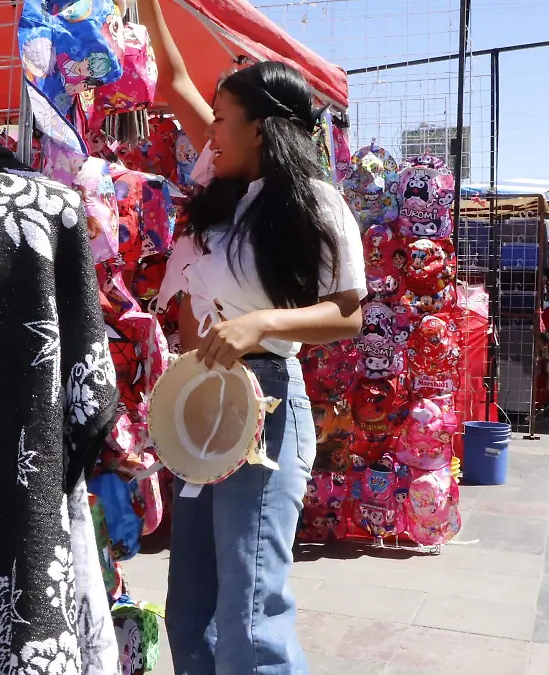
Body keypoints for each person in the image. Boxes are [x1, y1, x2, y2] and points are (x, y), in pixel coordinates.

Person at [139, 0, 365, 672]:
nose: (210, 126)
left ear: (261, 129)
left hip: (265, 403)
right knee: (191, 606)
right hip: (201, 401)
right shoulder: (222, 184)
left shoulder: (314, 203)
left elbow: (348, 313)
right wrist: (149, 10)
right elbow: (172, 84)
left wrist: (260, 322)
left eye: (223, 116)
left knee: (248, 610)